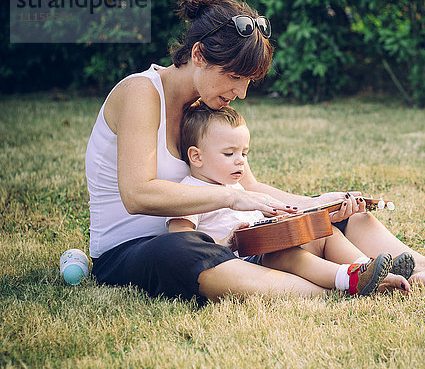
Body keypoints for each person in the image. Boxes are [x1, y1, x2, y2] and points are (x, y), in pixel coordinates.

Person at [85, 0, 425, 303]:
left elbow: (251, 189)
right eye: (234, 76)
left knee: (327, 218)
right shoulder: (141, 93)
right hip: (136, 249)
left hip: (215, 241)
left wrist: (316, 203)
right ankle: (332, 292)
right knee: (179, 249)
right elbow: (137, 193)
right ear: (198, 54)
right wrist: (235, 198)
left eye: (248, 81)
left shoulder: (205, 109)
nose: (241, 93)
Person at [165, 102, 412, 296]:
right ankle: (349, 279)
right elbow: (182, 246)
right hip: (245, 264)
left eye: (244, 153)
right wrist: (225, 242)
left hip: (268, 249)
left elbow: (265, 220)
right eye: (229, 153)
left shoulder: (238, 187)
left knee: (325, 233)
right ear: (196, 157)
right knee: (285, 255)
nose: (240, 160)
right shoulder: (189, 193)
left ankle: (369, 268)